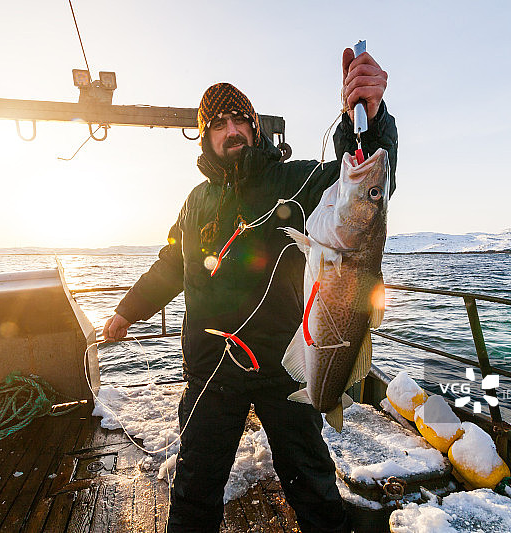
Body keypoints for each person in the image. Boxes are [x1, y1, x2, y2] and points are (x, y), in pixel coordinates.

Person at [103, 48, 398, 532]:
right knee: (195, 488)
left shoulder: (294, 179)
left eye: (239, 118)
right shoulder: (196, 202)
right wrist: (125, 313)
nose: (231, 129)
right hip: (211, 368)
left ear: (255, 127)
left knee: (313, 485)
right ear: (205, 136)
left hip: (284, 364)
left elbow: (362, 190)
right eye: (217, 123)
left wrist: (367, 115)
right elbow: (168, 268)